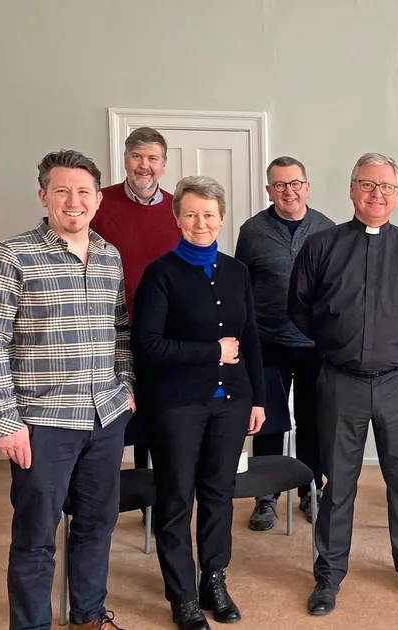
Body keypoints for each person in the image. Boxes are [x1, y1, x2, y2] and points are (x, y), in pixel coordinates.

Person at [0, 149, 133, 630]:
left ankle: (88, 614)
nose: (73, 201)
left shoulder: (108, 255)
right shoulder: (10, 255)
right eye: (61, 190)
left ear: (98, 200)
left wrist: (126, 387)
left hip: (104, 417)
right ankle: (32, 625)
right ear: (43, 196)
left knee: (96, 526)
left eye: (84, 191)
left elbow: (119, 330)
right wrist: (6, 422)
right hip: (42, 423)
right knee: (36, 535)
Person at [289, 153, 398, 616]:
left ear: (397, 194)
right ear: (351, 189)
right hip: (340, 381)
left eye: (386, 188)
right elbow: (300, 308)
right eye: (368, 185)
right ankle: (329, 574)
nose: (377, 194)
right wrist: (340, 342)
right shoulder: (321, 246)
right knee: (337, 483)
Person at [132, 175, 266, 630]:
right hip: (177, 407)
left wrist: (258, 399)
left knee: (218, 494)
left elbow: (249, 340)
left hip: (231, 402)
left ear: (222, 218)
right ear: (177, 218)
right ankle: (183, 597)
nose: (200, 222)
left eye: (209, 214)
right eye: (190, 213)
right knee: (175, 501)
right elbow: (146, 346)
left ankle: (214, 578)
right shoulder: (160, 274)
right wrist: (211, 352)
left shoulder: (236, 271)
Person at [235, 156, 335, 531]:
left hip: (313, 343)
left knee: (313, 420)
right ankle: (266, 496)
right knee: (267, 422)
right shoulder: (252, 231)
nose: (288, 191)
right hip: (266, 342)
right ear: (268, 190)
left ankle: (311, 488)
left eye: (295, 183)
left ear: (306, 187)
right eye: (279, 185)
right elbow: (241, 287)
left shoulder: (326, 229)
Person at [91, 126, 180, 473]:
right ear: (125, 159)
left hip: (165, 334)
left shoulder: (178, 208)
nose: (145, 165)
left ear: (163, 164)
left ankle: (155, 503)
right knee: (114, 419)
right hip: (110, 331)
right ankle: (101, 501)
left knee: (160, 418)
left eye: (152, 158)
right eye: (137, 156)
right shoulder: (99, 203)